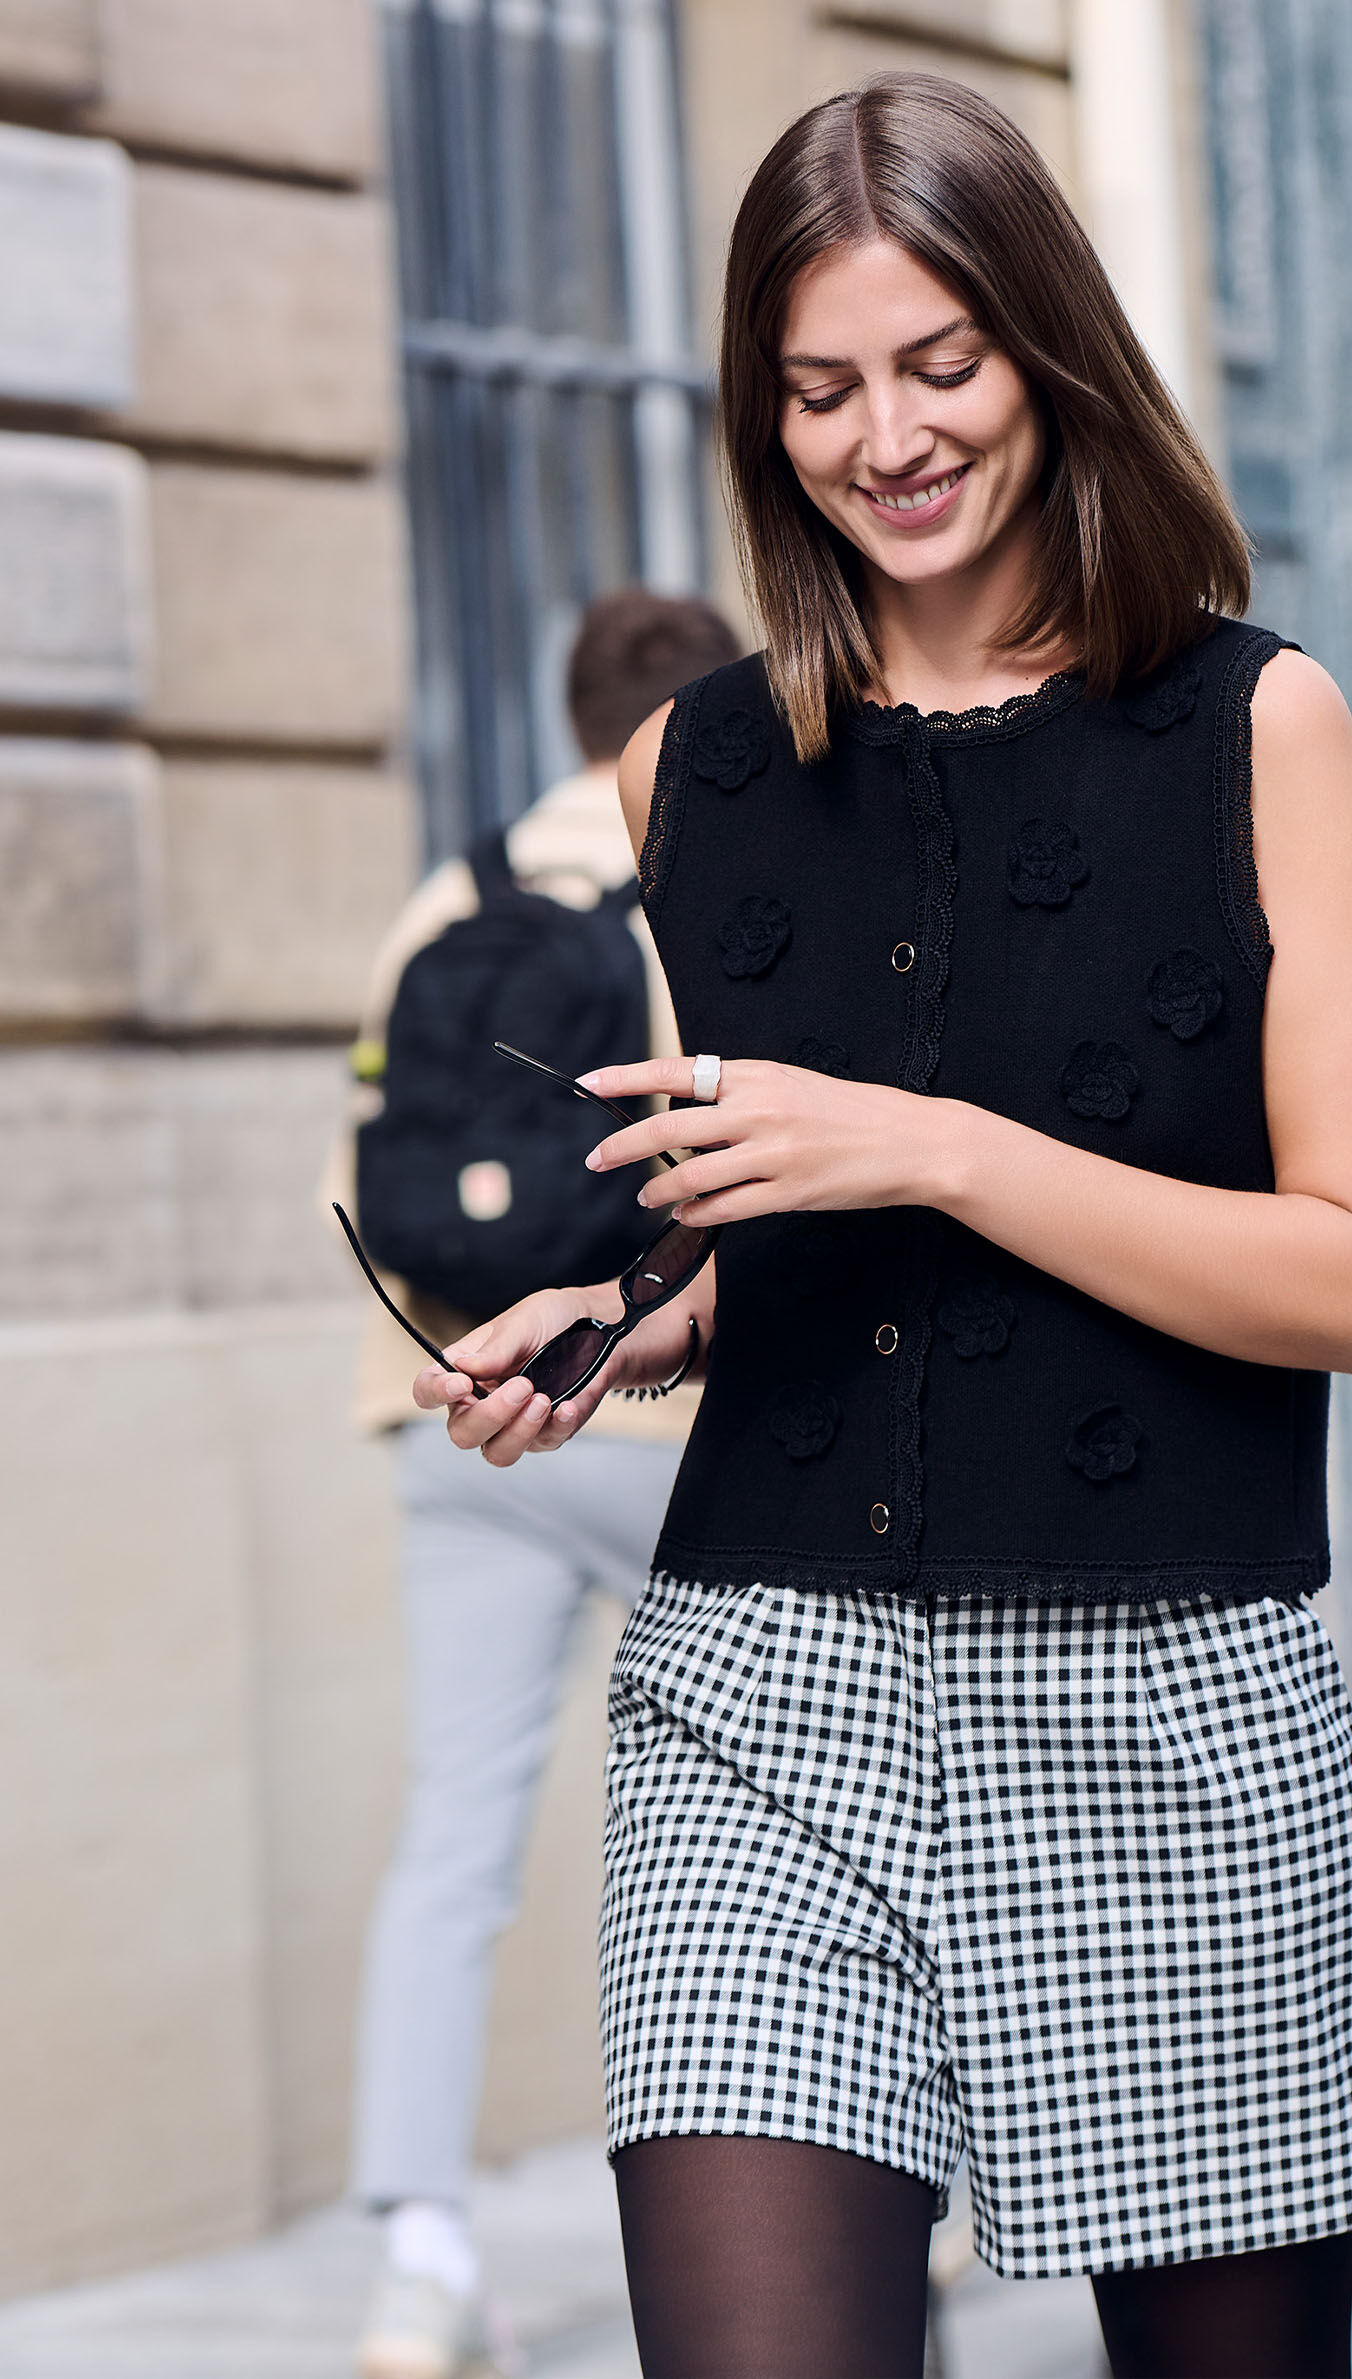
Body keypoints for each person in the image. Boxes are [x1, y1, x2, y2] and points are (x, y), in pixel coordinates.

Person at [415, 74, 1352, 2379]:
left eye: (938, 363)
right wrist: (620, 1320)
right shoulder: (690, 763)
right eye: (817, 387)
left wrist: (939, 1142)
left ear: (1049, 351)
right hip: (761, 1703)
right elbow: (758, 1225)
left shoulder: (1253, 728)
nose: (883, 436)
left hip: (1165, 1709)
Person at [332, 591, 742, 2379]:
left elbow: (370, 1144)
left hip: (458, 1415)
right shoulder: (719, 886)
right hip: (664, 1426)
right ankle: (911, 2205)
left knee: (453, 1841)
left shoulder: (450, 894)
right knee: (792, 1829)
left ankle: (419, 2265)